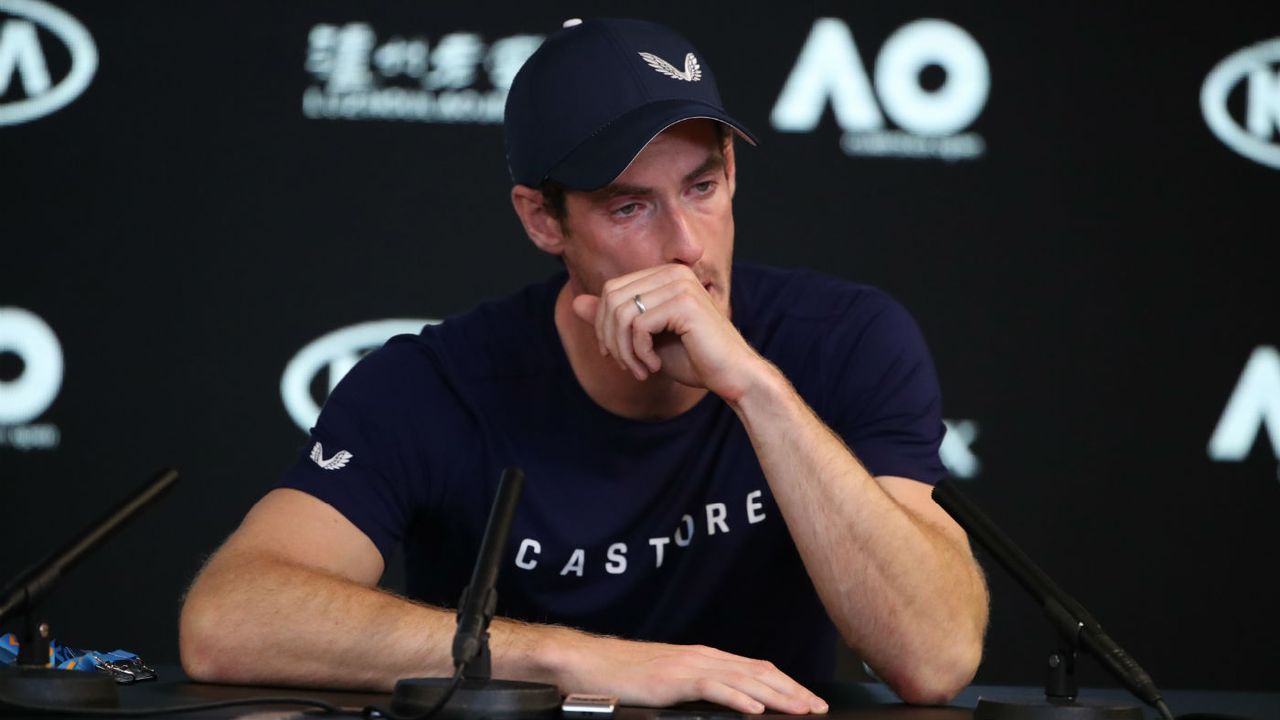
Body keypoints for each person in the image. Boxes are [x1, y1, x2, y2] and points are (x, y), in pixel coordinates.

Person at [178, 17, 988, 714]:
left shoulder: (842, 340)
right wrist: (578, 661)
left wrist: (754, 386)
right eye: (629, 206)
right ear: (543, 220)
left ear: (733, 175)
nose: (686, 246)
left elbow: (936, 657)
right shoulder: (439, 384)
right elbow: (230, 620)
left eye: (702, 187)